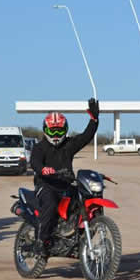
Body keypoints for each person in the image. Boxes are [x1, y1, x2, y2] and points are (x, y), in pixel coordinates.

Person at [30, 98, 99, 255]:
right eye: (52, 130)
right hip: (46, 185)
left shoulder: (69, 145)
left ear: (65, 130)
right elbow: (34, 162)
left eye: (59, 131)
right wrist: (43, 169)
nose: (55, 134)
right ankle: (41, 241)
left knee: (84, 199)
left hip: (66, 184)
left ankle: (78, 236)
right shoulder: (40, 147)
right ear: (45, 130)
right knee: (50, 202)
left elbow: (85, 137)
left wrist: (94, 120)